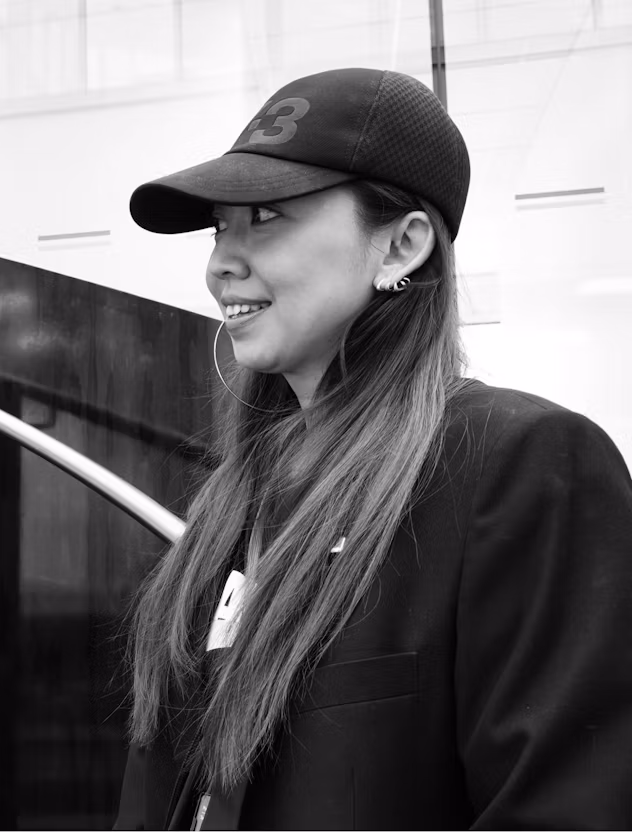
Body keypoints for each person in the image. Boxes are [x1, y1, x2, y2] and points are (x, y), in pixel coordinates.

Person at [115, 67, 632, 830]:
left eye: (265, 216)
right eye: (221, 226)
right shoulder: (236, 499)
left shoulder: (521, 467)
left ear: (402, 247)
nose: (221, 260)